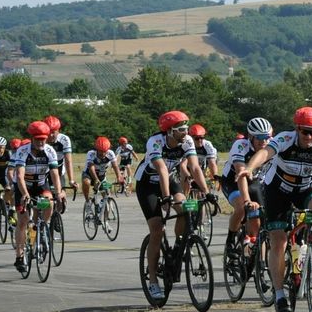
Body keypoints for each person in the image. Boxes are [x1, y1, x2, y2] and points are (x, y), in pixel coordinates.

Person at [239, 107, 312, 312]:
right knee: (279, 242)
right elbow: (265, 153)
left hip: (304, 188)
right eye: (305, 132)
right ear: (297, 129)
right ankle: (279, 295)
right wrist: (249, 168)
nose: (309, 137)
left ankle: (311, 244)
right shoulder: (285, 139)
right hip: (278, 191)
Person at [134, 110, 218, 301]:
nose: (186, 132)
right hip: (148, 185)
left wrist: (207, 192)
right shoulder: (155, 142)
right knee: (157, 228)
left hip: (170, 180)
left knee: (184, 209)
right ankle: (153, 280)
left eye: (187, 128)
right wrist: (165, 198)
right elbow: (162, 169)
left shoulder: (187, 141)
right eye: (181, 129)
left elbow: (195, 168)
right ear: (169, 131)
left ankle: (179, 243)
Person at [10, 121, 63, 272]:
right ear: (32, 138)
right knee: (23, 221)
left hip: (40, 185)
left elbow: (54, 175)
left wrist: (58, 194)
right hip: (24, 187)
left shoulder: (50, 151)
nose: (41, 142)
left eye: (43, 139)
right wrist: (25, 194)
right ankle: (19, 257)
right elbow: (19, 177)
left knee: (49, 203)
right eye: (38, 139)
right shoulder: (22, 151)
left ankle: (42, 228)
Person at [221, 117, 273, 253]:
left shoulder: (271, 145)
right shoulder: (240, 145)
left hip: (255, 182)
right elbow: (241, 173)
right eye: (259, 138)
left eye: (267, 137)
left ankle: (253, 250)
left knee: (258, 218)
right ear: (250, 136)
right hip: (233, 181)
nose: (264, 141)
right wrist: (247, 200)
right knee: (241, 208)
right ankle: (231, 240)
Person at [81, 137, 124, 202]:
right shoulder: (91, 153)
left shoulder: (110, 153)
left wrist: (119, 177)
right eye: (101, 151)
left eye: (105, 151)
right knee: (86, 182)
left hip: (101, 176)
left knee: (107, 196)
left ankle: (104, 208)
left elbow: (115, 165)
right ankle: (87, 202)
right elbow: (91, 167)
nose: (103, 153)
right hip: (89, 174)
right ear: (96, 149)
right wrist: (96, 179)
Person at [43, 115, 74, 194]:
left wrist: (71, 180)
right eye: (49, 132)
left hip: (59, 169)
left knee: (61, 195)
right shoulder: (41, 140)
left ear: (58, 130)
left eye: (53, 132)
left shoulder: (64, 139)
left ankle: (62, 204)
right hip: (44, 170)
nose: (50, 135)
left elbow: (68, 161)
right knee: (45, 198)